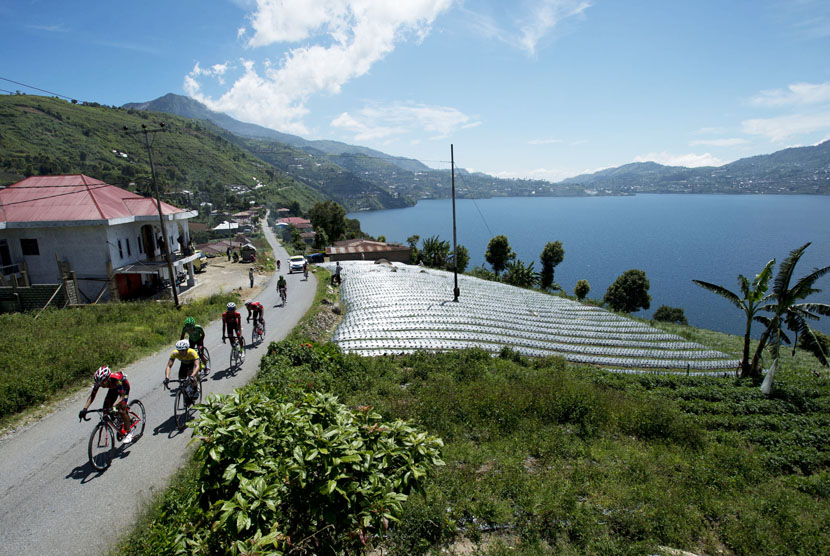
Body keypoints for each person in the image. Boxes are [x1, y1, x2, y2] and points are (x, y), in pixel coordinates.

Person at [79, 365, 134, 443]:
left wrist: (114, 406)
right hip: (113, 388)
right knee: (105, 408)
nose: (102, 385)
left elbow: (122, 396)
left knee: (121, 410)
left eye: (103, 383)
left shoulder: (116, 380)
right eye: (100, 384)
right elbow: (92, 396)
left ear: (108, 378)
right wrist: (85, 409)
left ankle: (129, 432)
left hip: (123, 387)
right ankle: (118, 421)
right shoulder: (99, 382)